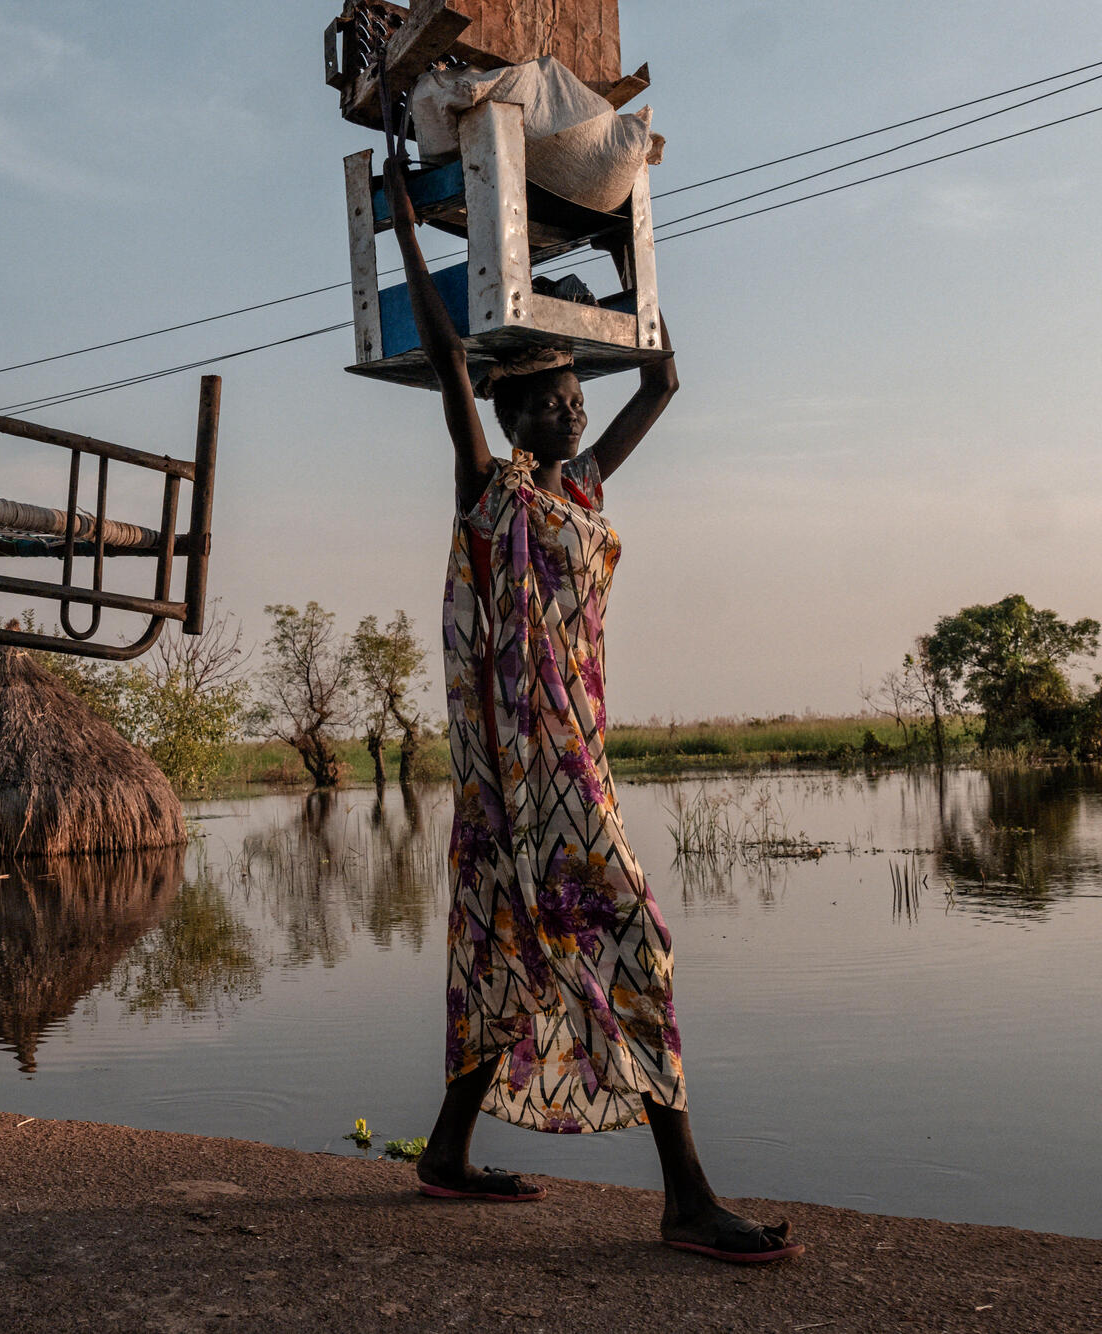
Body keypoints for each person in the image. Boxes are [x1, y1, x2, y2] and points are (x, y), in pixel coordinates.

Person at [381, 156, 801, 1263]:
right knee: (636, 942)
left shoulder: (581, 492)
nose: (574, 408)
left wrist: (633, 254)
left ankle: (440, 1156)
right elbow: (443, 365)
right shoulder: (492, 487)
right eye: (554, 399)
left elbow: (659, 384)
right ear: (515, 413)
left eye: (576, 394)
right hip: (521, 772)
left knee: (498, 948)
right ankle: (683, 1197)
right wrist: (407, 240)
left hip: (577, 752)